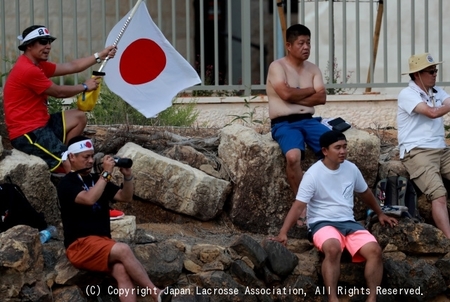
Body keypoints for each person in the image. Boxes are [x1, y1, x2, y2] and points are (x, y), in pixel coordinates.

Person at [271, 131, 397, 302]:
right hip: (321, 223)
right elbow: (299, 205)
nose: (342, 151)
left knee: (374, 250)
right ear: (325, 151)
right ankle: (332, 298)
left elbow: (365, 193)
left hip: (349, 223)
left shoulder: (351, 168)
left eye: (345, 147)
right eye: (337, 147)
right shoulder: (313, 174)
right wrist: (283, 232)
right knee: (332, 248)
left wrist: (380, 213)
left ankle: (372, 298)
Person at [57, 136, 172, 302]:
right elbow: (89, 198)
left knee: (122, 271)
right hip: (80, 245)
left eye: (92, 156)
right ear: (72, 157)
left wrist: (127, 176)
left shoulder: (97, 179)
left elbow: (125, 197)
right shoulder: (67, 184)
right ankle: (155, 293)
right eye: (85, 157)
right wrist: (106, 173)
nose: (90, 161)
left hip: (102, 242)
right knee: (123, 249)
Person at [3, 25, 117, 174]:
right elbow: (59, 92)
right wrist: (84, 86)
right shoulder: (27, 69)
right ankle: (68, 171)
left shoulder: (37, 64)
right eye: (43, 42)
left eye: (50, 42)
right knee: (74, 163)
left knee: (79, 117)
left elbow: (71, 66)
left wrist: (99, 56)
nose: (48, 46)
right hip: (28, 134)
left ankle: (63, 156)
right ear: (29, 45)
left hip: (43, 124)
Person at [266, 24, 330, 223]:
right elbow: (285, 93)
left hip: (309, 121)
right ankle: (303, 205)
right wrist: (309, 90)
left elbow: (321, 98)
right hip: (284, 123)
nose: (306, 47)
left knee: (336, 147)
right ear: (289, 45)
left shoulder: (313, 69)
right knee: (293, 156)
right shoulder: (277, 67)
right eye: (301, 43)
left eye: (308, 43)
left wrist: (293, 96)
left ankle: (329, 199)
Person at [398, 52, 450, 238]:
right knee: (439, 195)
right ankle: (449, 242)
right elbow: (432, 113)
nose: (435, 74)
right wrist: (442, 107)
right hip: (417, 150)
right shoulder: (407, 94)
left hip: (441, 149)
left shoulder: (436, 91)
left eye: (435, 70)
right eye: (431, 71)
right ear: (417, 74)